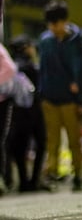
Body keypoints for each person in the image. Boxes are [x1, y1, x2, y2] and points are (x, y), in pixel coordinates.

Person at [38, 0, 82, 192]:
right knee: (53, 140)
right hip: (49, 98)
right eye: (50, 24)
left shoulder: (76, 41)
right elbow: (42, 70)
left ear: (64, 21)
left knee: (74, 139)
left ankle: (78, 175)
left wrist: (81, 97)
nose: (53, 28)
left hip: (70, 99)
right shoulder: (45, 41)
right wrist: (42, 93)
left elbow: (80, 70)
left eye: (56, 23)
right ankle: (51, 174)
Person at [5, 35, 50, 192]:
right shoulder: (31, 67)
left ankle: (24, 181)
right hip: (34, 112)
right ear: (25, 48)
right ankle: (33, 180)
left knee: (19, 148)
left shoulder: (12, 67)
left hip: (17, 113)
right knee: (41, 143)